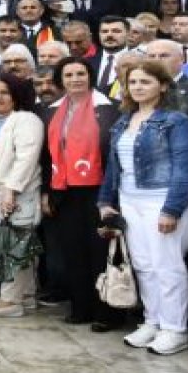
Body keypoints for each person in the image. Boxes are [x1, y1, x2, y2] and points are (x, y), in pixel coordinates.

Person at [99, 61, 188, 356]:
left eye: (145, 81)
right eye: (133, 82)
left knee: (167, 265)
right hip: (130, 201)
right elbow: (113, 167)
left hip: (163, 200)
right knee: (143, 265)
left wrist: (172, 209)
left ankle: (175, 329)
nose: (138, 87)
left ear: (163, 86)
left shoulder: (176, 121)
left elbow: (186, 169)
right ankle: (152, 321)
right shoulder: (123, 120)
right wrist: (106, 202)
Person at [42, 56, 122, 329]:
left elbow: (114, 155)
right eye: (68, 75)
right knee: (73, 251)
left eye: (80, 73)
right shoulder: (50, 110)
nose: (75, 79)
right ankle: (80, 307)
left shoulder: (108, 109)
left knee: (100, 251)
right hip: (64, 192)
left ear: (90, 76)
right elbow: (45, 156)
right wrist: (46, 192)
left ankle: (105, 312)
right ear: (60, 80)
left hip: (98, 191)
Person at [0, 73, 45, 318]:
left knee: (15, 246)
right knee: (15, 244)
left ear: (17, 95)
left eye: (5, 92)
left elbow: (26, 158)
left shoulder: (26, 119)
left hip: (16, 194)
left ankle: (10, 301)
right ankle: (26, 296)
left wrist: (11, 190)